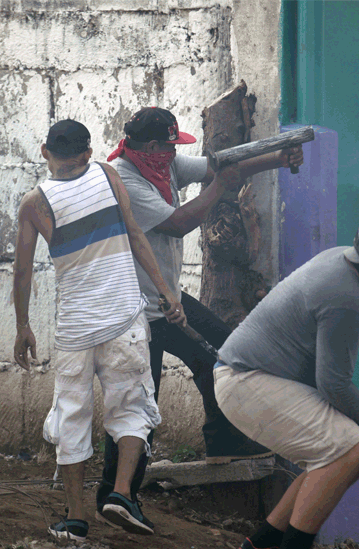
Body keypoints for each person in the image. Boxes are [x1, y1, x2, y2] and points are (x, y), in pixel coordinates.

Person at [100, 106, 304, 503]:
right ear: (154, 146)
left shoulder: (162, 166)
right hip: (137, 312)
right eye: (171, 146)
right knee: (141, 403)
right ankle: (117, 493)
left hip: (168, 301)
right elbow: (179, 222)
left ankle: (224, 442)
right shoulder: (127, 180)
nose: (176, 153)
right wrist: (219, 187)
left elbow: (220, 167)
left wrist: (276, 159)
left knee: (222, 354)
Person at [13, 119, 185, 541]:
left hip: (75, 329)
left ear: (44, 150)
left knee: (71, 417)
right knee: (131, 407)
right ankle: (121, 494)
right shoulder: (107, 175)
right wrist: (166, 292)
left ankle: (74, 518)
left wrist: (22, 326)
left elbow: (21, 272)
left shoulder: (33, 202)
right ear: (89, 153)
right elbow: (135, 235)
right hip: (124, 318)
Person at [213, 212, 359, 549]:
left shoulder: (344, 262)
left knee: (353, 457)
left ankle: (260, 543)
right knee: (349, 447)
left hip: (252, 377)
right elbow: (334, 384)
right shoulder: (343, 297)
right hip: (245, 380)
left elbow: (353, 330)